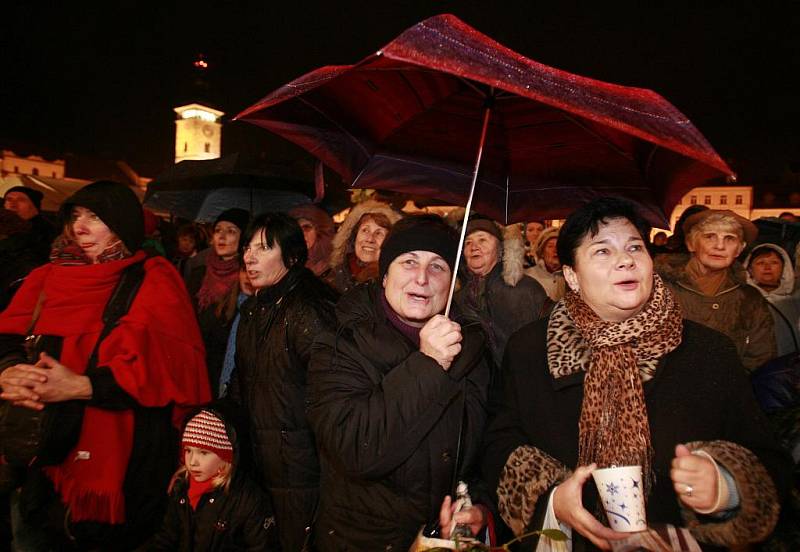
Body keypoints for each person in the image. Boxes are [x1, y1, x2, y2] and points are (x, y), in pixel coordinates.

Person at [483, 197, 791, 551]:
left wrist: (726, 487)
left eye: (635, 247)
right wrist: (553, 500)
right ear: (571, 274)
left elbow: (768, 459)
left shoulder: (708, 352)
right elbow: (499, 443)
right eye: (602, 251)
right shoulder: (530, 350)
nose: (625, 260)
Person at [0, 180, 210, 550]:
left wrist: (83, 386)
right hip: (41, 453)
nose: (80, 227)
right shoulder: (47, 276)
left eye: (95, 217)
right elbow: (8, 335)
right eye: (76, 216)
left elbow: (165, 367)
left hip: (127, 464)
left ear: (122, 225)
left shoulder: (155, 280)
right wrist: (9, 369)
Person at [307, 215, 492, 550]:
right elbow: (356, 449)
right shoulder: (340, 342)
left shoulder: (474, 346)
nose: (421, 278)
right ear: (385, 275)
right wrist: (428, 363)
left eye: (437, 266)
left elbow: (486, 444)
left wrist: (480, 505)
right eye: (408, 262)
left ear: (452, 284)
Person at [229, 212, 337, 552]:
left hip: (304, 469)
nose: (249, 257)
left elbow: (331, 394)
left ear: (291, 256)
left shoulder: (309, 309)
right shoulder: (255, 308)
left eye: (263, 248)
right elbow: (240, 383)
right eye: (247, 247)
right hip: (263, 462)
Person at [658, 209, 776, 372]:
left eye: (729, 239)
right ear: (691, 243)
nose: (720, 246)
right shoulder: (658, 288)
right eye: (709, 236)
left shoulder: (750, 298)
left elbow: (760, 359)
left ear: (739, 249)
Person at [147, 406, 278, 551]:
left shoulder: (248, 499)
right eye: (188, 450)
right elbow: (166, 539)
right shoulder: (181, 488)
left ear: (226, 457)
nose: (192, 461)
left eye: (203, 453)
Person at [454, 217, 549, 370]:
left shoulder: (527, 289)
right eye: (467, 243)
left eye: (482, 240)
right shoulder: (457, 299)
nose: (474, 247)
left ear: (500, 249)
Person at [186, 208, 249, 397]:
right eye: (218, 230)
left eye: (231, 231)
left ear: (244, 237)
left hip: (225, 371)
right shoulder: (199, 273)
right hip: (196, 368)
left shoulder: (247, 277)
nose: (221, 236)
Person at [328, 199, 401, 293]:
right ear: (354, 237)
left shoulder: (395, 282)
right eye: (365, 230)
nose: (370, 239)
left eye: (379, 233)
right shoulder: (334, 276)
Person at [745, 243, 800, 357]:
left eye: (774, 263)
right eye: (761, 263)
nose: (767, 267)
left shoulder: (795, 303)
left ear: (784, 268)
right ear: (749, 269)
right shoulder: (741, 299)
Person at [289, 203, 335, 277]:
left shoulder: (334, 265)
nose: (301, 234)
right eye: (297, 229)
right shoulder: (285, 263)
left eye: (306, 228)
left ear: (320, 231)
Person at [524, 226, 566, 302]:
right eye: (550, 246)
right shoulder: (529, 276)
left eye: (558, 246)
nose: (555, 250)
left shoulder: (571, 276)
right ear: (542, 252)